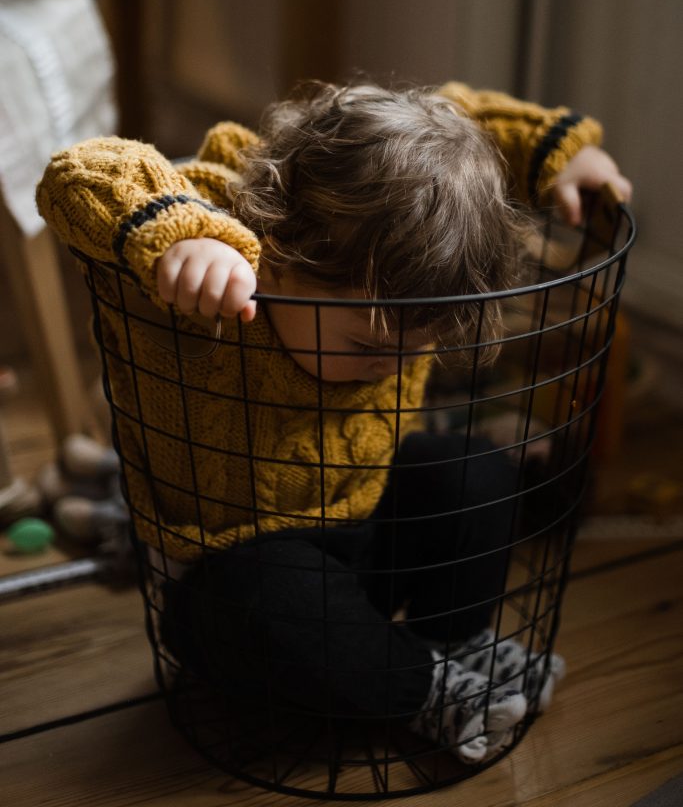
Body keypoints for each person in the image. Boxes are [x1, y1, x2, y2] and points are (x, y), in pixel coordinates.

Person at [37, 80, 631, 764]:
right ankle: (424, 689)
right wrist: (184, 239)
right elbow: (81, 171)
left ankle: (452, 644)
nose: (394, 365)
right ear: (282, 256)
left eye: (417, 345)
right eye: (371, 348)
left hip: (363, 535)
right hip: (237, 582)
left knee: (471, 470)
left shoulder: (397, 282)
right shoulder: (213, 289)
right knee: (259, 595)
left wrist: (557, 151)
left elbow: (458, 119)